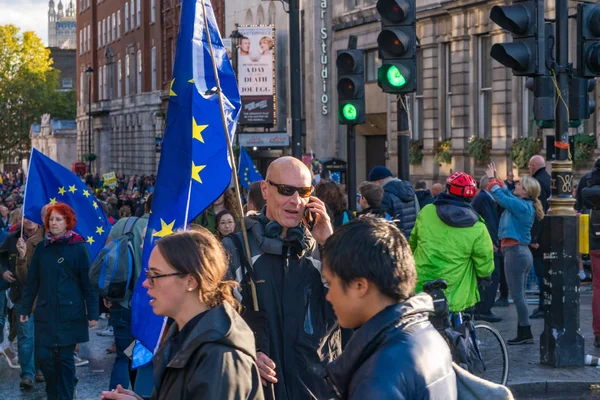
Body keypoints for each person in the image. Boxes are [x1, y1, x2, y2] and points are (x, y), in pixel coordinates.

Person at [222, 156, 339, 400]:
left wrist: (331, 244)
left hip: (317, 389)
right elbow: (218, 319)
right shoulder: (236, 248)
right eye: (286, 190)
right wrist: (246, 350)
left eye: (304, 191)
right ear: (265, 190)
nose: (295, 201)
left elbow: (351, 307)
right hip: (261, 390)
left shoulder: (322, 248)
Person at [101, 230, 264, 400]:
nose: (145, 283)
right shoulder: (186, 336)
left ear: (191, 281)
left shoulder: (219, 358)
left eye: (155, 275)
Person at [323, 218, 457, 399]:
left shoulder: (377, 378)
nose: (328, 296)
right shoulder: (425, 333)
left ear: (360, 286)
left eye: (330, 283)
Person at [19, 203, 99, 400]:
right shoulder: (42, 249)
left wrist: (94, 312)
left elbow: (87, 282)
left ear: (67, 222)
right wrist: (25, 308)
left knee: (64, 359)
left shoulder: (78, 247)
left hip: (70, 312)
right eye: (51, 219)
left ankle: (64, 395)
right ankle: (54, 392)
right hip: (45, 311)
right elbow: (32, 281)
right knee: (45, 357)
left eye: (58, 219)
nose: (53, 223)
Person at [409, 172, 494, 313]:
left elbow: (412, 243)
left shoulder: (427, 211)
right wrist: (485, 276)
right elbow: (484, 261)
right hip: (456, 291)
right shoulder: (477, 226)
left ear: (447, 189)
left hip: (422, 287)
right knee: (457, 330)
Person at [485, 162, 544, 345]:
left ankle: (525, 332)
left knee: (518, 296)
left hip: (515, 252)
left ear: (526, 191)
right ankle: (524, 331)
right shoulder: (524, 204)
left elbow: (503, 198)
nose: (516, 185)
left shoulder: (521, 206)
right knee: (520, 295)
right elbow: (508, 195)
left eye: (519, 184)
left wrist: (492, 180)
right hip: (520, 252)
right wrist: (498, 179)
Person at [104, 194, 151, 390]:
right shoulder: (175, 229)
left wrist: (107, 293)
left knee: (124, 356)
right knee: (148, 355)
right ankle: (143, 393)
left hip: (123, 301)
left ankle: (118, 395)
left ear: (145, 207)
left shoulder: (123, 224)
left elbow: (106, 257)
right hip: (155, 307)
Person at [471, 175, 503, 323]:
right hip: (489, 243)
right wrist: (493, 241)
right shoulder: (484, 198)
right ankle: (483, 309)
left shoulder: (485, 198)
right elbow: (489, 221)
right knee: (492, 275)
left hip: (488, 241)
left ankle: (483, 308)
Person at [576, 158, 600, 347]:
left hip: (594, 239)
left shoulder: (586, 180)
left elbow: (576, 208)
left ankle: (598, 333)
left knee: (597, 288)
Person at [527, 155, 551, 320]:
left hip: (541, 236)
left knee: (541, 272)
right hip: (548, 234)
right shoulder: (548, 178)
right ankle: (545, 303)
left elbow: (539, 213)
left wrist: (534, 238)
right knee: (544, 272)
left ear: (533, 167)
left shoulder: (537, 183)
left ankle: (544, 305)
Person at [368, 166, 419, 240]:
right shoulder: (409, 189)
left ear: (378, 181)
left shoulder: (385, 194)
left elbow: (383, 221)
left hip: (397, 239)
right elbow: (418, 212)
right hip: (412, 238)